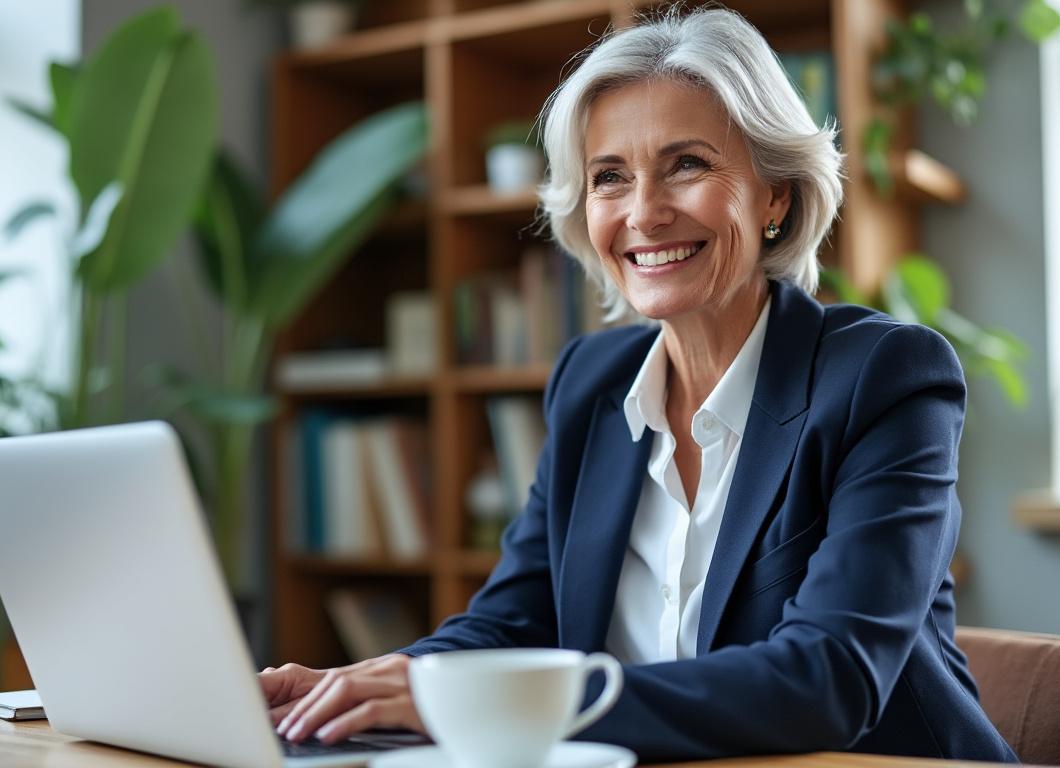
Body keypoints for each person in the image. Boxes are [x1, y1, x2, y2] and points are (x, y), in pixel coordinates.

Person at [260, 5, 1018, 763]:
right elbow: (516, 621)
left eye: (687, 164)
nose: (644, 213)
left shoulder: (884, 379)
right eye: (609, 178)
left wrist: (511, 702)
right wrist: (367, 687)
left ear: (774, 195)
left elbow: (828, 680)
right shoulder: (590, 384)